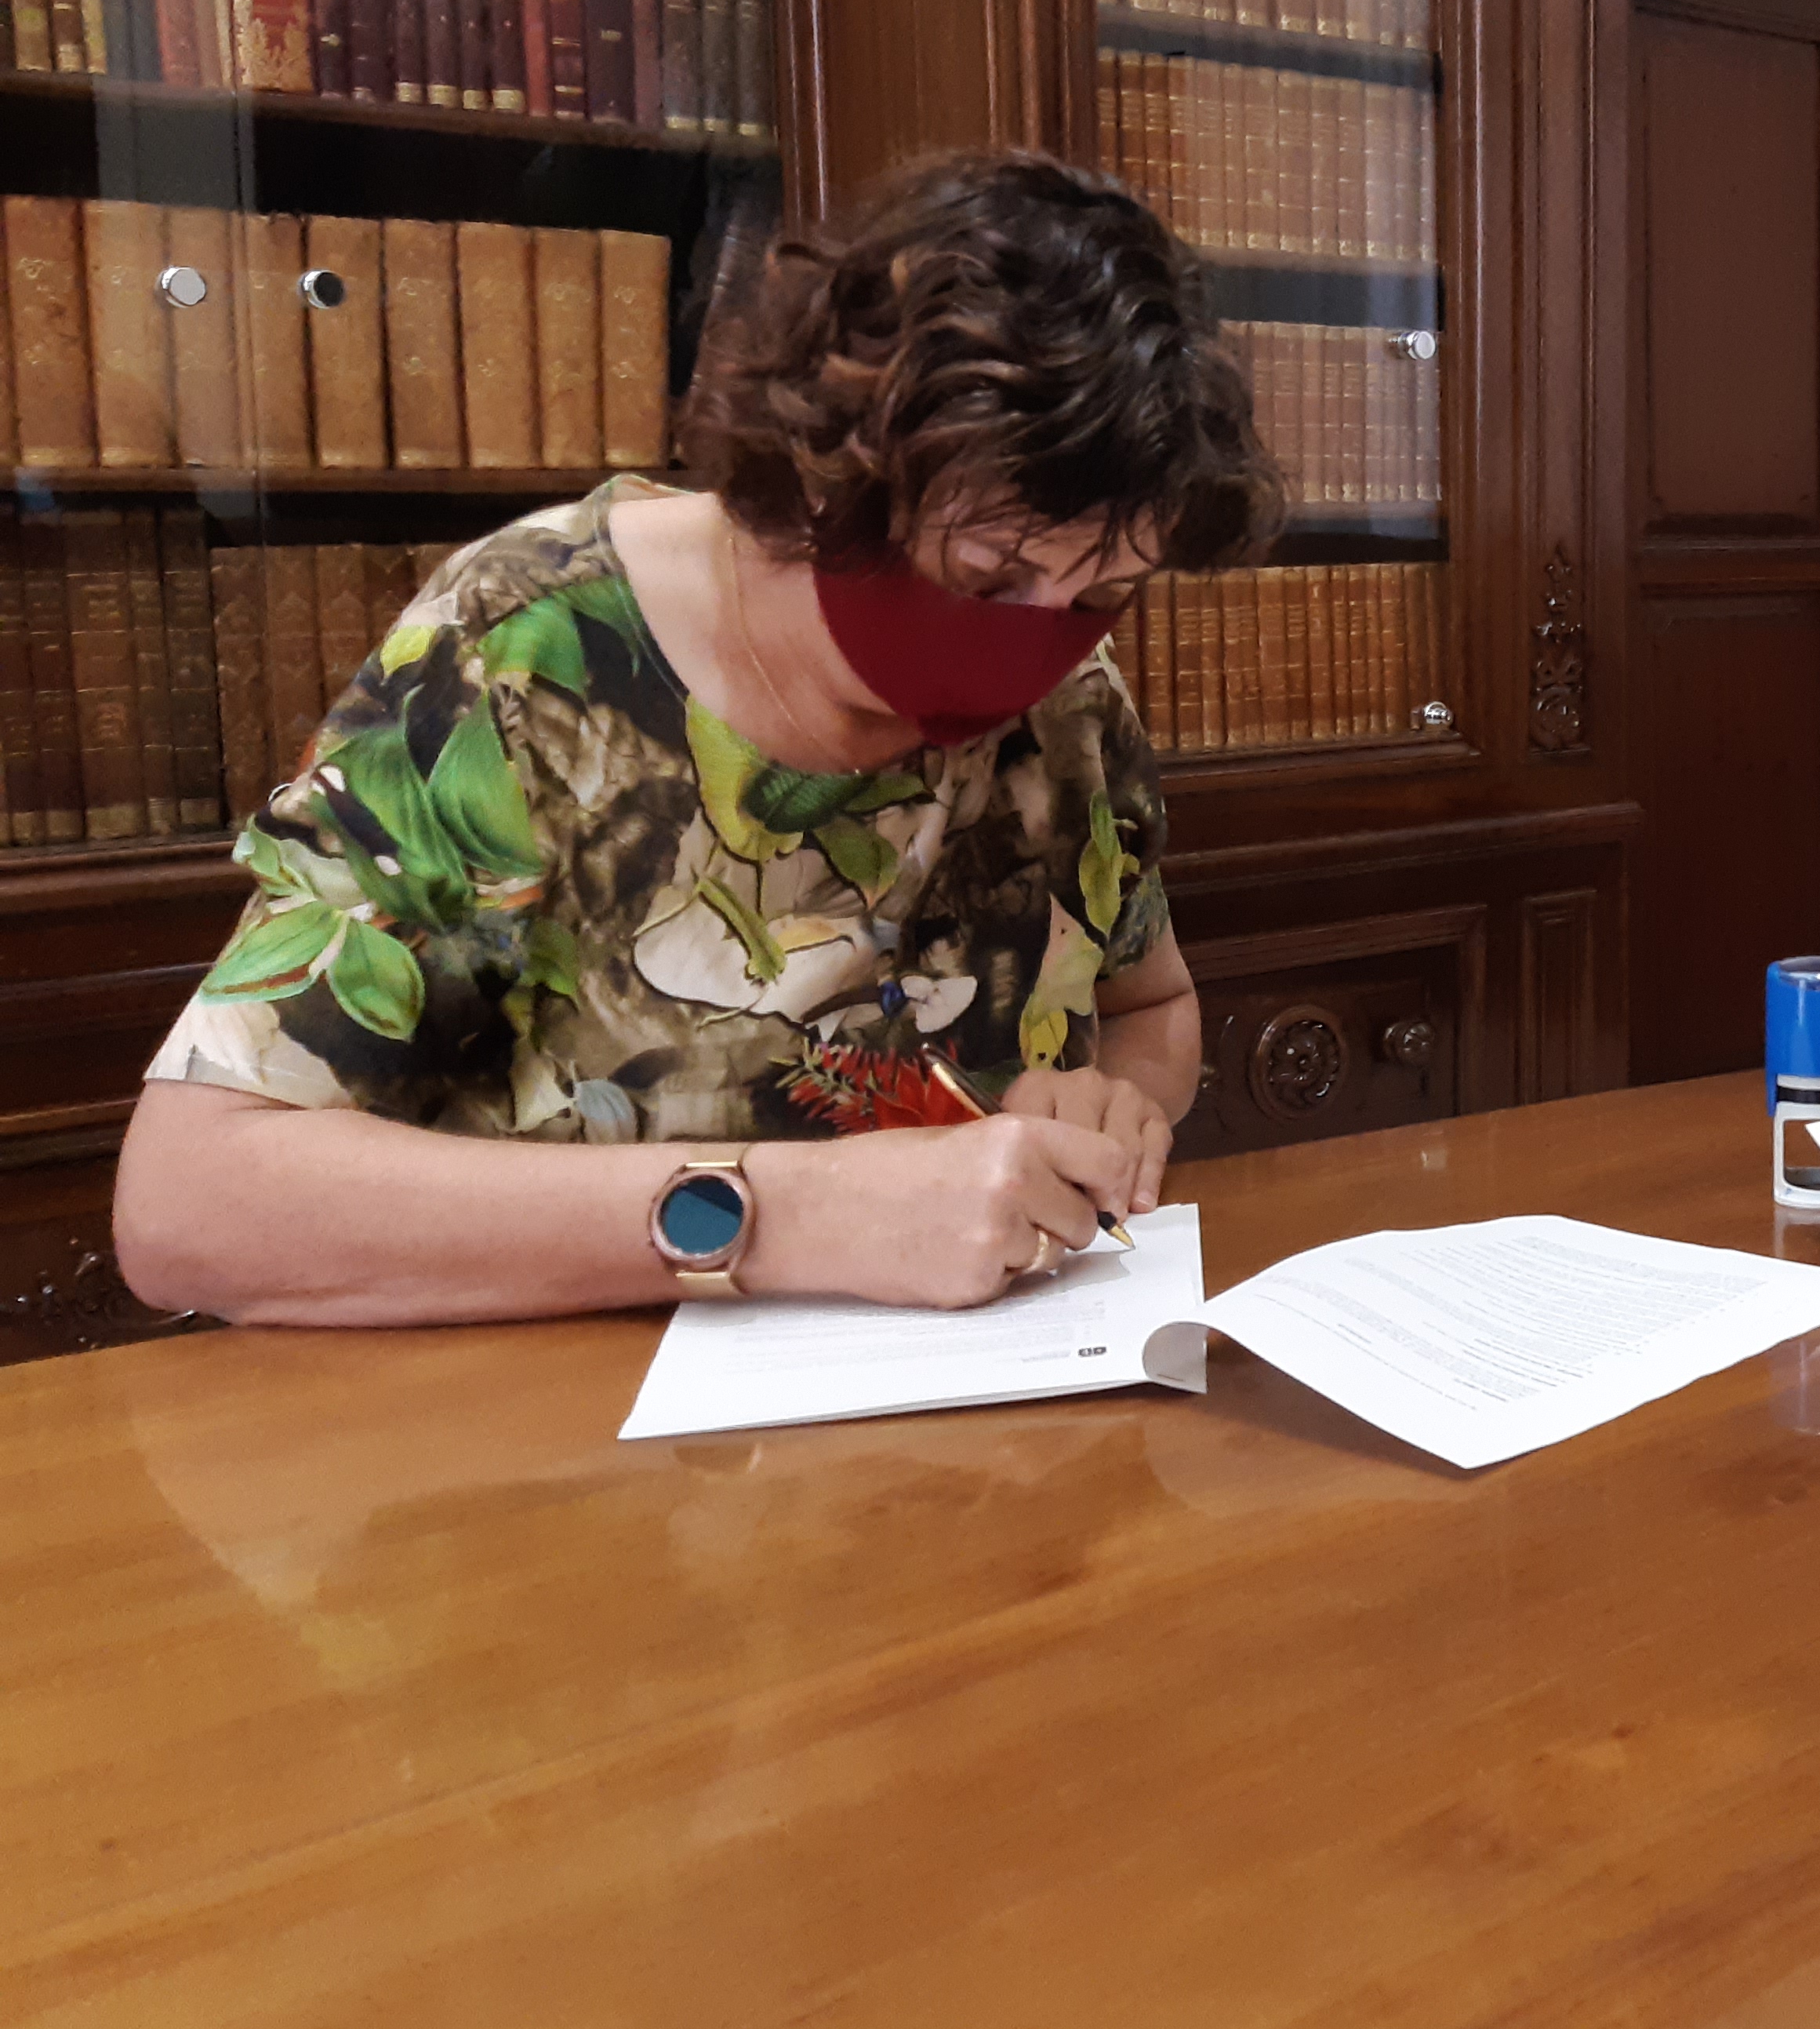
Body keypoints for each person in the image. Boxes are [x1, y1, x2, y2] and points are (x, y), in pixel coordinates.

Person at [114, 150, 1280, 1327]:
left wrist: (1110, 1102)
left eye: (1102, 592)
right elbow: (188, 1205)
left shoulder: (1071, 699)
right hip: (558, 1410)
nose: (1037, 644)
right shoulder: (530, 648)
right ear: (829, 476)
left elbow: (1149, 1008)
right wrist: (782, 1215)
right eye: (988, 574)